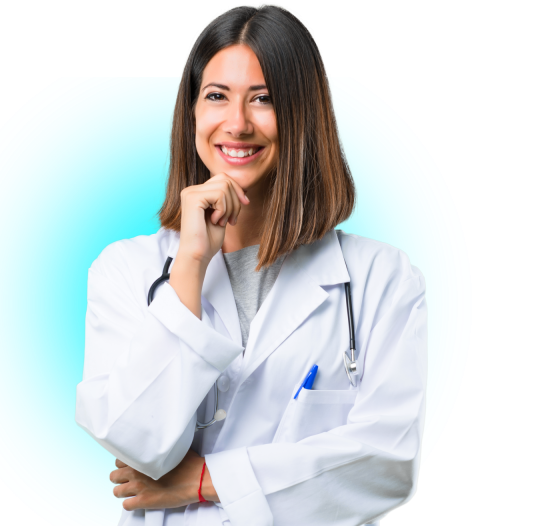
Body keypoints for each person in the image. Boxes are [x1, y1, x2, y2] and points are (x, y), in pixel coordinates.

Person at [75, 4, 428, 526]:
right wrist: (191, 263)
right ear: (192, 113)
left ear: (304, 115)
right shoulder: (126, 269)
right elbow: (136, 442)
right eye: (217, 96)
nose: (237, 124)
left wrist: (206, 480)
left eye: (264, 99)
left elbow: (386, 464)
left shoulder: (382, 278)